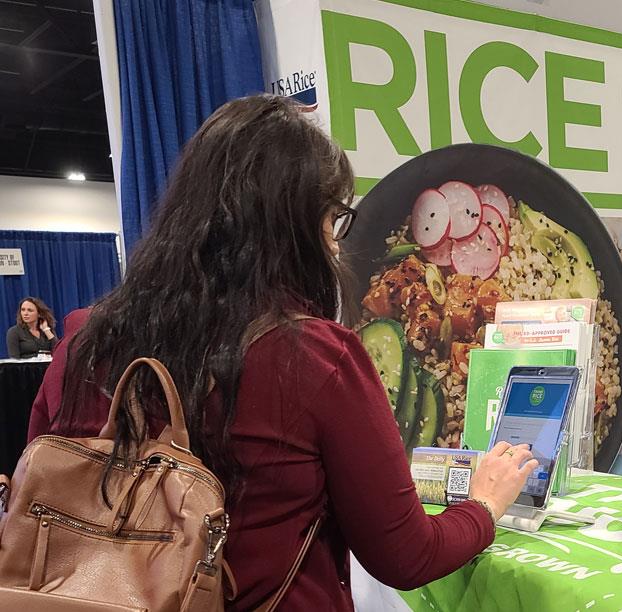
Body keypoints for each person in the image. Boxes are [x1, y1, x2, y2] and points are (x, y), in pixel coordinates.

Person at [28, 95, 538, 611]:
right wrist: (485, 503)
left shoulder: (82, 343)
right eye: (331, 218)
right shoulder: (316, 358)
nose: (336, 244)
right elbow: (406, 556)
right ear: (290, 225)